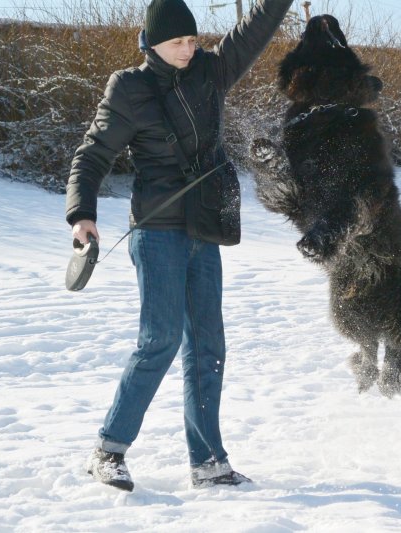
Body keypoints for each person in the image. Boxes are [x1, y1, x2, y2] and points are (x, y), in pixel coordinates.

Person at [65, 0, 294, 491]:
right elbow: (94, 152)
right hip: (156, 232)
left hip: (203, 228)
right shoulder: (128, 88)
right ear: (152, 44)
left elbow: (254, 30)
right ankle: (108, 451)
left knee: (208, 346)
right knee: (161, 339)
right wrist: (82, 213)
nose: (189, 49)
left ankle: (209, 461)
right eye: (178, 43)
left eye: (193, 40)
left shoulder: (211, 71)